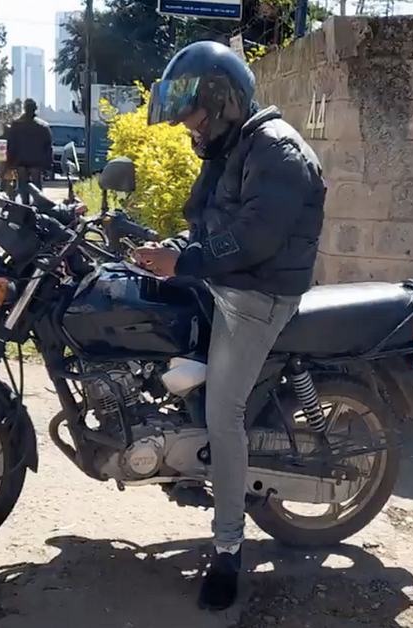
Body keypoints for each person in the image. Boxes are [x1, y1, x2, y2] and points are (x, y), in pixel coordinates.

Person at [133, 40, 326, 612]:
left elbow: (255, 239)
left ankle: (227, 549)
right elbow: (205, 224)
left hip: (259, 295)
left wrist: (186, 262)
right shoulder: (228, 148)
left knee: (224, 409)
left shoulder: (278, 152)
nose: (187, 128)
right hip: (227, 279)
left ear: (220, 103)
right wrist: (165, 252)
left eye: (191, 115)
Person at [5, 98, 53, 205]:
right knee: (37, 187)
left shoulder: (16, 125)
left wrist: (9, 162)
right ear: (35, 109)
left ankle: (25, 208)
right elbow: (48, 147)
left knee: (23, 186)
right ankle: (38, 208)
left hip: (21, 162)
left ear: (24, 109)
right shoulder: (43, 126)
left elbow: (11, 145)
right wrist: (48, 165)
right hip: (36, 163)